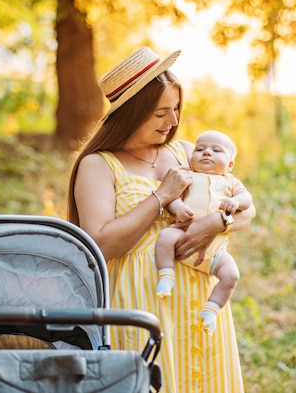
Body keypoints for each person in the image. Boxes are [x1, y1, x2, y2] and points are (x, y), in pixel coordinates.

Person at [67, 46, 256, 393]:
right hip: (140, 299)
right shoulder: (98, 165)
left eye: (176, 110)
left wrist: (218, 223)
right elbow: (99, 244)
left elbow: (245, 206)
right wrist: (160, 197)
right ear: (131, 113)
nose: (172, 122)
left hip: (199, 296)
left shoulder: (183, 151)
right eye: (160, 114)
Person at [154, 130, 253, 335]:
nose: (207, 153)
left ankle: (211, 309)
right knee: (164, 237)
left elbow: (247, 199)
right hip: (182, 235)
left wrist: (234, 202)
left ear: (230, 164)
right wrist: (178, 207)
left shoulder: (230, 182)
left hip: (215, 251)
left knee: (231, 274)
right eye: (200, 149)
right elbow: (172, 197)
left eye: (216, 151)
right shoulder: (188, 176)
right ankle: (166, 275)